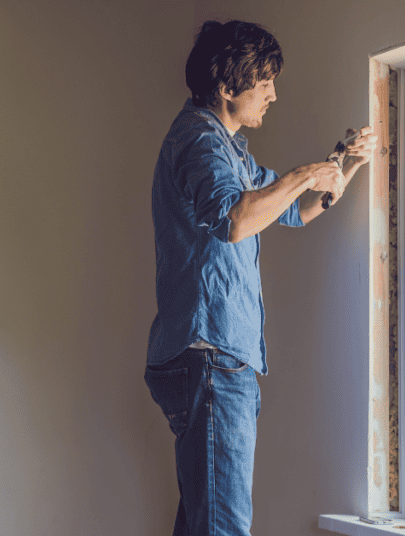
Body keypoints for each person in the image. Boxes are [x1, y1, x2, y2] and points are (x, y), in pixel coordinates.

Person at [143, 20, 377, 536]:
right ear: (227, 87)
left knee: (204, 523)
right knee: (223, 529)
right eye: (264, 80)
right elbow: (235, 220)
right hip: (211, 358)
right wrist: (302, 175)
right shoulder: (200, 141)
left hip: (212, 357)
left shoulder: (230, 148)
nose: (273, 93)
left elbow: (295, 212)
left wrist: (344, 164)